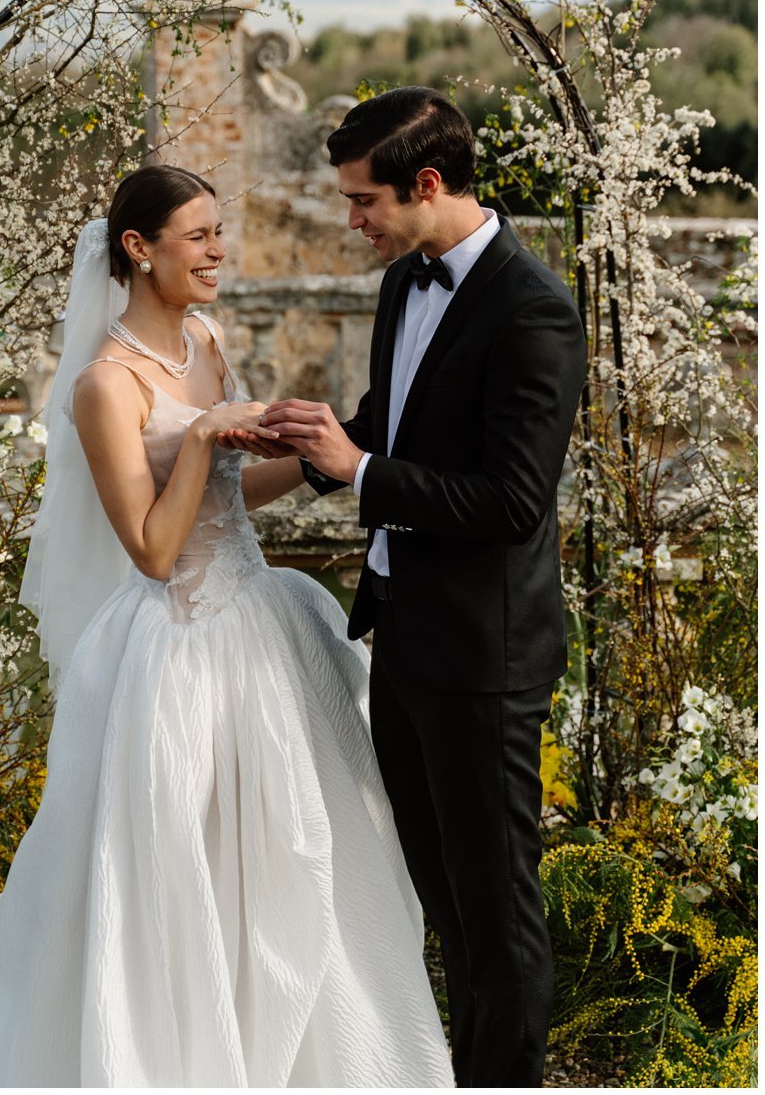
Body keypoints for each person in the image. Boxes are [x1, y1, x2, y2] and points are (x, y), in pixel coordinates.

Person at [0, 165, 453, 1088]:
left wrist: (312, 454)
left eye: (216, 232)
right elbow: (156, 548)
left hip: (263, 630)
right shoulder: (104, 388)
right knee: (179, 871)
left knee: (298, 854)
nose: (216, 251)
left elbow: (233, 497)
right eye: (196, 236)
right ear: (138, 248)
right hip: (178, 645)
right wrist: (203, 437)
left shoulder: (206, 338)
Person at [257, 87, 587, 1087]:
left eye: (363, 201)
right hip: (398, 638)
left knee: (495, 916)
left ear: (427, 184)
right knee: (437, 900)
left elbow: (510, 501)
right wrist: (282, 454)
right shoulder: (407, 282)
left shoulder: (534, 311)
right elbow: (382, 419)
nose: (350, 219)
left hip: (483, 658)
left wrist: (354, 472)